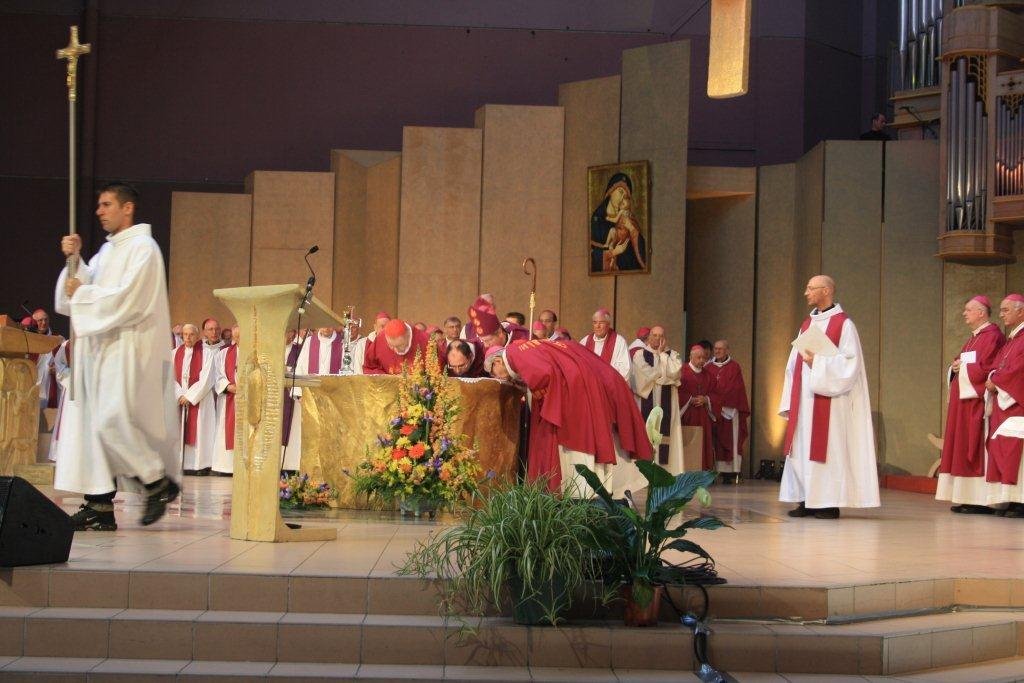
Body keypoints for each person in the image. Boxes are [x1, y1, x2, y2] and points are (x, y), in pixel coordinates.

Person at [53, 182, 179, 530]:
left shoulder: (144, 248)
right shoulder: (107, 253)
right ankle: (99, 506)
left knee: (112, 419)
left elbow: (129, 299)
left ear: (127, 208)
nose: (99, 211)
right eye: (98, 205)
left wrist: (85, 293)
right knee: (95, 427)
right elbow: (73, 295)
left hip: (128, 348)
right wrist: (74, 259)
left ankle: (156, 481)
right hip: (101, 350)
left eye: (106, 204)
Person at [487, 339, 652, 497]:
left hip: (575, 391)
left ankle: (581, 491)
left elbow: (543, 375)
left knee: (578, 438)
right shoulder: (526, 346)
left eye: (498, 375)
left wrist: (533, 388)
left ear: (497, 362)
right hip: (586, 379)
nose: (503, 379)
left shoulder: (516, 353)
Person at [779, 275, 880, 519]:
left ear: (826, 291)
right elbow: (793, 363)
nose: (806, 292)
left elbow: (850, 365)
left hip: (830, 401)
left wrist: (819, 363)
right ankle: (806, 498)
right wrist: (789, 398)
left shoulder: (844, 325)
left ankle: (827, 502)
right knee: (801, 448)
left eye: (810, 288)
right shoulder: (806, 325)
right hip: (804, 399)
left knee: (828, 450)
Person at [936, 296, 1005, 513]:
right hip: (963, 404)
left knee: (975, 448)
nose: (964, 314)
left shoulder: (992, 337)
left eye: (968, 310)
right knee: (962, 447)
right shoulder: (974, 338)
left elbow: (989, 369)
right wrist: (955, 367)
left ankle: (981, 501)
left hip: (977, 404)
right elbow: (963, 363)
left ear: (981, 313)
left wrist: (963, 368)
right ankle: (967, 498)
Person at [984, 294, 1024, 516]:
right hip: (1003, 404)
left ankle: (1021, 501)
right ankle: (1008, 498)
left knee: (1015, 453)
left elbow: (1019, 371)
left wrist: (996, 381)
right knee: (1003, 451)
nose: (1000, 314)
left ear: (1021, 311)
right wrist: (993, 377)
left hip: (1017, 405)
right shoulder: (1012, 339)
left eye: (1006, 310)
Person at [631, 325, 684, 474]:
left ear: (664, 338)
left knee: (667, 432)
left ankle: (665, 471)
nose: (657, 339)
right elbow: (642, 377)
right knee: (646, 429)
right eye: (654, 335)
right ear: (648, 337)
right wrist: (662, 375)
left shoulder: (672, 355)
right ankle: (645, 470)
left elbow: (674, 373)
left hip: (668, 403)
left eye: (660, 336)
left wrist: (662, 356)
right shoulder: (640, 355)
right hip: (646, 400)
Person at [173, 323, 217, 475]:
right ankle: (181, 464)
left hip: (200, 400)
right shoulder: (174, 353)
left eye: (191, 334)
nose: (188, 337)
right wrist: (179, 394)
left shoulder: (207, 353)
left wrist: (190, 396)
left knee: (200, 431)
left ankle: (199, 465)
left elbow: (207, 379)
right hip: (180, 400)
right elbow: (170, 378)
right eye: (185, 334)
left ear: (197, 336)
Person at [707, 339, 750, 481]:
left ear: (727, 350)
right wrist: (713, 402)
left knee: (731, 440)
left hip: (730, 411)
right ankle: (713, 471)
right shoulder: (708, 367)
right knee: (715, 441)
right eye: (715, 348)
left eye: (720, 349)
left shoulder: (734, 367)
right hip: (713, 411)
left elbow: (736, 388)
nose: (717, 351)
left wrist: (721, 402)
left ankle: (730, 473)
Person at [679, 345, 716, 471]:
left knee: (703, 443)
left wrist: (706, 399)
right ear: (691, 357)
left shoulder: (709, 375)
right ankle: (686, 471)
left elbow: (716, 394)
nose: (702, 360)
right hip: (687, 414)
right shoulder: (681, 372)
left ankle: (703, 472)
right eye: (698, 357)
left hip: (703, 415)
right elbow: (676, 392)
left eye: (704, 358)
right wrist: (689, 399)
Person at [363, 317, 438, 375]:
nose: (395, 350)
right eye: (391, 346)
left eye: (399, 346)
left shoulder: (426, 341)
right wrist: (385, 378)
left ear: (408, 335)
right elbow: (369, 367)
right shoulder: (380, 339)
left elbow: (437, 372)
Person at [212, 325, 240, 476]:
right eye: (236, 337)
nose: (237, 339)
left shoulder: (256, 352)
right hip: (229, 397)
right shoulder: (223, 354)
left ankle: (242, 466)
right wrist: (228, 386)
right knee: (225, 429)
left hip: (248, 398)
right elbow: (217, 375)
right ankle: (225, 467)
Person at [579, 308, 631, 381]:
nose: (597, 326)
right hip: (591, 385)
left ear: (608, 324)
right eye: (595, 322)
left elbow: (625, 368)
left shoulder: (619, 342)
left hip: (611, 386)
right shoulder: (585, 341)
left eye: (601, 323)